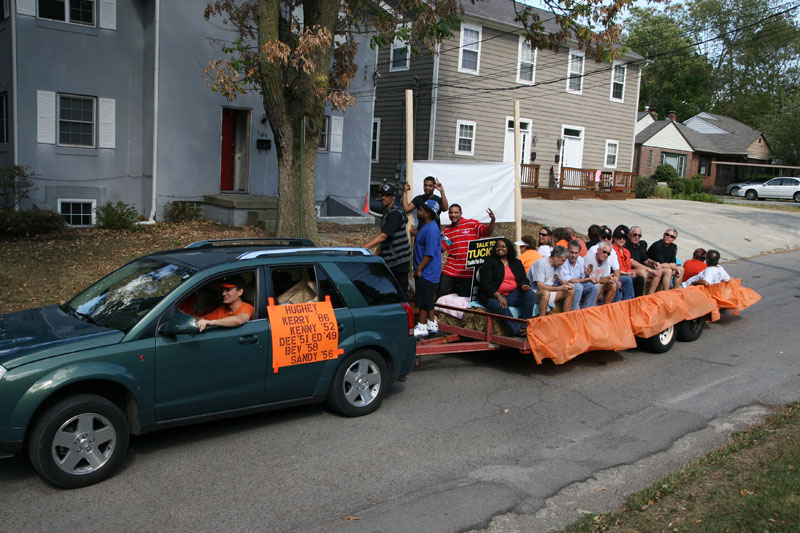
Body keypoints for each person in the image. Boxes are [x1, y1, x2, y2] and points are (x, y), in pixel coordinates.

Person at [476, 238, 535, 337]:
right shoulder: (489, 262)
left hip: (511, 295)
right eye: (497, 246)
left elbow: (523, 279)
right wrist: (498, 296)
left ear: (509, 248)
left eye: (503, 246)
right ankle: (517, 330)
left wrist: (524, 285)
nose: (500, 249)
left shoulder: (516, 262)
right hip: (492, 296)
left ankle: (524, 326)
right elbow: (486, 284)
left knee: (530, 295)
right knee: (500, 305)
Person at [363, 183, 412, 295]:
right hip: (390, 259)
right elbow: (386, 240)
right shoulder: (387, 213)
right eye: (382, 195)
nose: (383, 198)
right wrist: (374, 257)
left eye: (387, 195)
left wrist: (363, 247)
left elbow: (384, 236)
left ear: (394, 197)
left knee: (399, 293)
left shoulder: (395, 213)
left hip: (399, 261)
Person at [440, 203, 496, 297]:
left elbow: (488, 231)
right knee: (441, 294)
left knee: (464, 298)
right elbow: (444, 248)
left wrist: (493, 220)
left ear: (461, 213)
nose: (453, 215)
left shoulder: (472, 224)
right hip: (451, 269)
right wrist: (438, 238)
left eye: (456, 212)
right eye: (451, 213)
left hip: (468, 271)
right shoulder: (447, 230)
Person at [413, 200, 443, 337]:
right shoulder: (427, 227)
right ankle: (431, 324)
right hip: (426, 270)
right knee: (427, 299)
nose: (419, 210)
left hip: (427, 271)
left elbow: (429, 253)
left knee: (424, 300)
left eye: (422, 209)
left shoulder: (431, 229)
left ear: (428, 213)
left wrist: (419, 268)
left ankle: (421, 326)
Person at [528, 245, 575, 316]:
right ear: (556, 256)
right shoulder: (541, 264)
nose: (563, 263)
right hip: (534, 292)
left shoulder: (559, 266)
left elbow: (563, 281)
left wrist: (568, 285)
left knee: (571, 291)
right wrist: (559, 288)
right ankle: (542, 319)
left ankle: (566, 316)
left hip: (550, 290)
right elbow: (540, 287)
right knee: (546, 293)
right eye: (562, 260)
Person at [558, 240, 599, 309]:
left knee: (595, 286)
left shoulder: (581, 260)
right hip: (566, 285)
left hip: (578, 284)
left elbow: (582, 278)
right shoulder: (563, 261)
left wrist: (587, 275)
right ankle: (574, 310)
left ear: (579, 252)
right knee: (578, 287)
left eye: (576, 253)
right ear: (567, 251)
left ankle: (587, 309)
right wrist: (588, 279)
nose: (573, 255)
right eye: (571, 252)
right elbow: (569, 280)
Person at [626, 226, 665, 296]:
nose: (637, 237)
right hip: (628, 269)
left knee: (659, 272)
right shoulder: (626, 246)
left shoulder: (638, 247)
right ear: (629, 235)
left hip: (638, 269)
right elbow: (633, 263)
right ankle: (641, 295)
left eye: (639, 236)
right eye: (635, 235)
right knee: (642, 272)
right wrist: (650, 270)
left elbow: (646, 260)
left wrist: (655, 263)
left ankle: (650, 295)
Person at [610, 227, 636, 301]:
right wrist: (627, 273)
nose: (621, 240)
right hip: (615, 275)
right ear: (614, 239)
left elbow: (628, 267)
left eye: (624, 238)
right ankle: (619, 302)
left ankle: (630, 301)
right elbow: (613, 269)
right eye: (619, 237)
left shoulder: (626, 251)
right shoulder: (612, 250)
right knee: (627, 279)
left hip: (625, 274)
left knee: (638, 278)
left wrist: (630, 273)